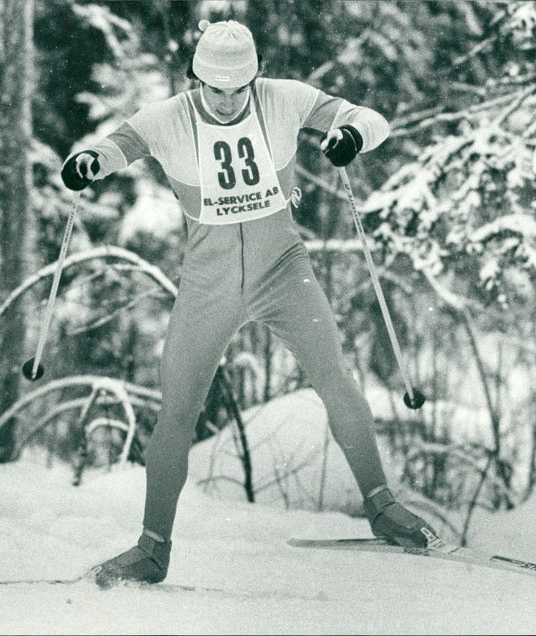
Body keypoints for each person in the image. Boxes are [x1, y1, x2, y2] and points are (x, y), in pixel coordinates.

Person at [61, 19, 437, 588]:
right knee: (178, 411)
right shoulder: (170, 117)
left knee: (335, 377)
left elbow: (369, 118)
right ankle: (152, 547)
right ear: (197, 79)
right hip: (208, 285)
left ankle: (381, 505)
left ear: (255, 77)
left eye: (239, 88)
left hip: (283, 271)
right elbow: (117, 145)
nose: (228, 101)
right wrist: (91, 162)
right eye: (216, 89)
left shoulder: (283, 99)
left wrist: (352, 135)